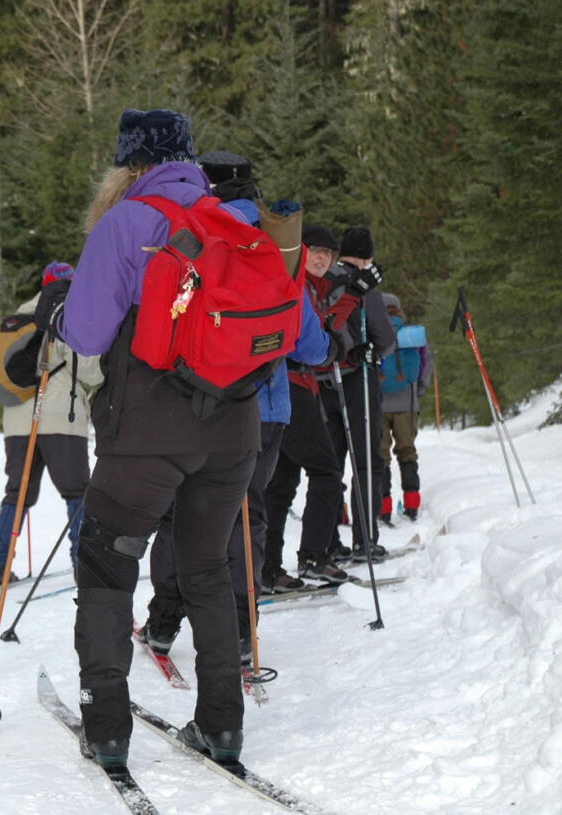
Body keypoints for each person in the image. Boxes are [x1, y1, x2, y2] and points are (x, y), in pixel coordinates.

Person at [35, 108, 265, 768]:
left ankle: (106, 728)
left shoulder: (128, 222)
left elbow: (85, 333)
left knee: (107, 569)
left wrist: (56, 297)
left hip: (148, 434)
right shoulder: (232, 218)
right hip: (235, 431)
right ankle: (222, 724)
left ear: (130, 163)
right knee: (206, 568)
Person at [141, 152, 331, 658]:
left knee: (183, 518)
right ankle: (243, 633)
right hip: (266, 410)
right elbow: (310, 344)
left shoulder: (192, 231)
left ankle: (163, 623)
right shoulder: (280, 244)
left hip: (197, 405)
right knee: (250, 515)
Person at [0, 262, 102, 587]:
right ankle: (83, 564)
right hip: (59, 419)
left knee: (17, 493)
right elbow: (90, 371)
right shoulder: (66, 316)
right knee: (78, 493)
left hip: (17, 421)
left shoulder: (17, 320)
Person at [262, 224, 360, 587]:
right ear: (301, 252)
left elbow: (324, 327)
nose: (323, 258)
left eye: (328, 254)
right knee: (326, 471)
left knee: (281, 481)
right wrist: (331, 346)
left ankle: (268, 565)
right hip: (292, 384)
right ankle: (313, 556)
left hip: (292, 388)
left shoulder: (311, 288)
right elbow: (312, 339)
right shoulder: (297, 284)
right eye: (316, 250)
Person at [316, 226, 396, 564]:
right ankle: (365, 539)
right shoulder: (364, 285)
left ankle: (327, 541)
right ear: (367, 257)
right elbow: (385, 338)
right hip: (357, 381)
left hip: (321, 379)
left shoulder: (321, 280)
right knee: (366, 461)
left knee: (328, 465)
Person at [378, 292, 432, 522]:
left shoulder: (373, 333)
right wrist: (417, 391)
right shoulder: (413, 335)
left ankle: (383, 508)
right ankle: (411, 505)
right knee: (407, 452)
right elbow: (426, 365)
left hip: (378, 404)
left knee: (381, 457)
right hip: (407, 403)